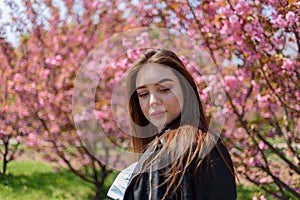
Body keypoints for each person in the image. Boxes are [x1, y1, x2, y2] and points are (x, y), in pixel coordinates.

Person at [107, 49, 237, 200]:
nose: (153, 101)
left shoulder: (179, 150)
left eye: (164, 89)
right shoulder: (209, 145)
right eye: (143, 94)